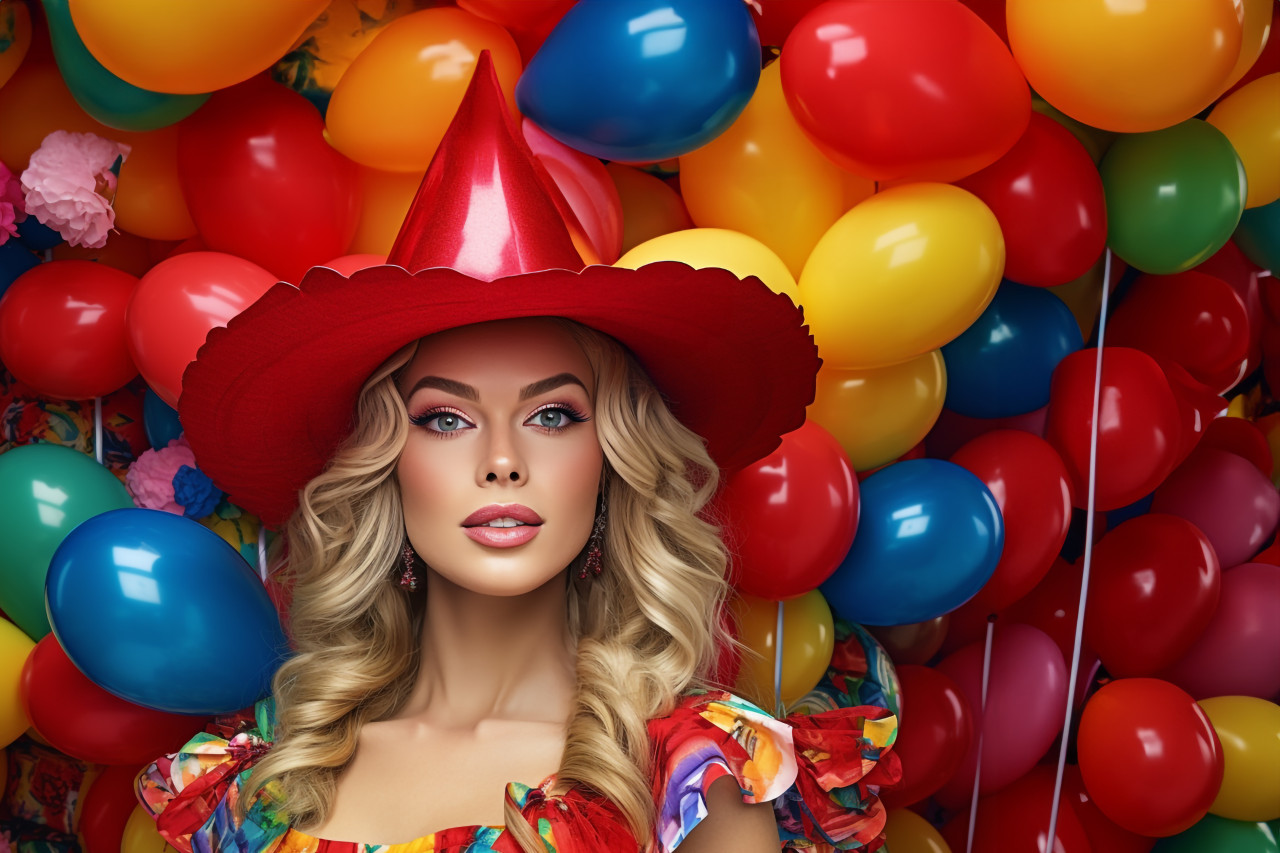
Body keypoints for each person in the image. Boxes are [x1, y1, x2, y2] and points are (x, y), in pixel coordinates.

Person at [135, 55, 898, 853]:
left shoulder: (695, 776)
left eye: (553, 414)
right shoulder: (253, 786)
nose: (502, 460)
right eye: (445, 421)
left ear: (613, 460)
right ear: (383, 468)